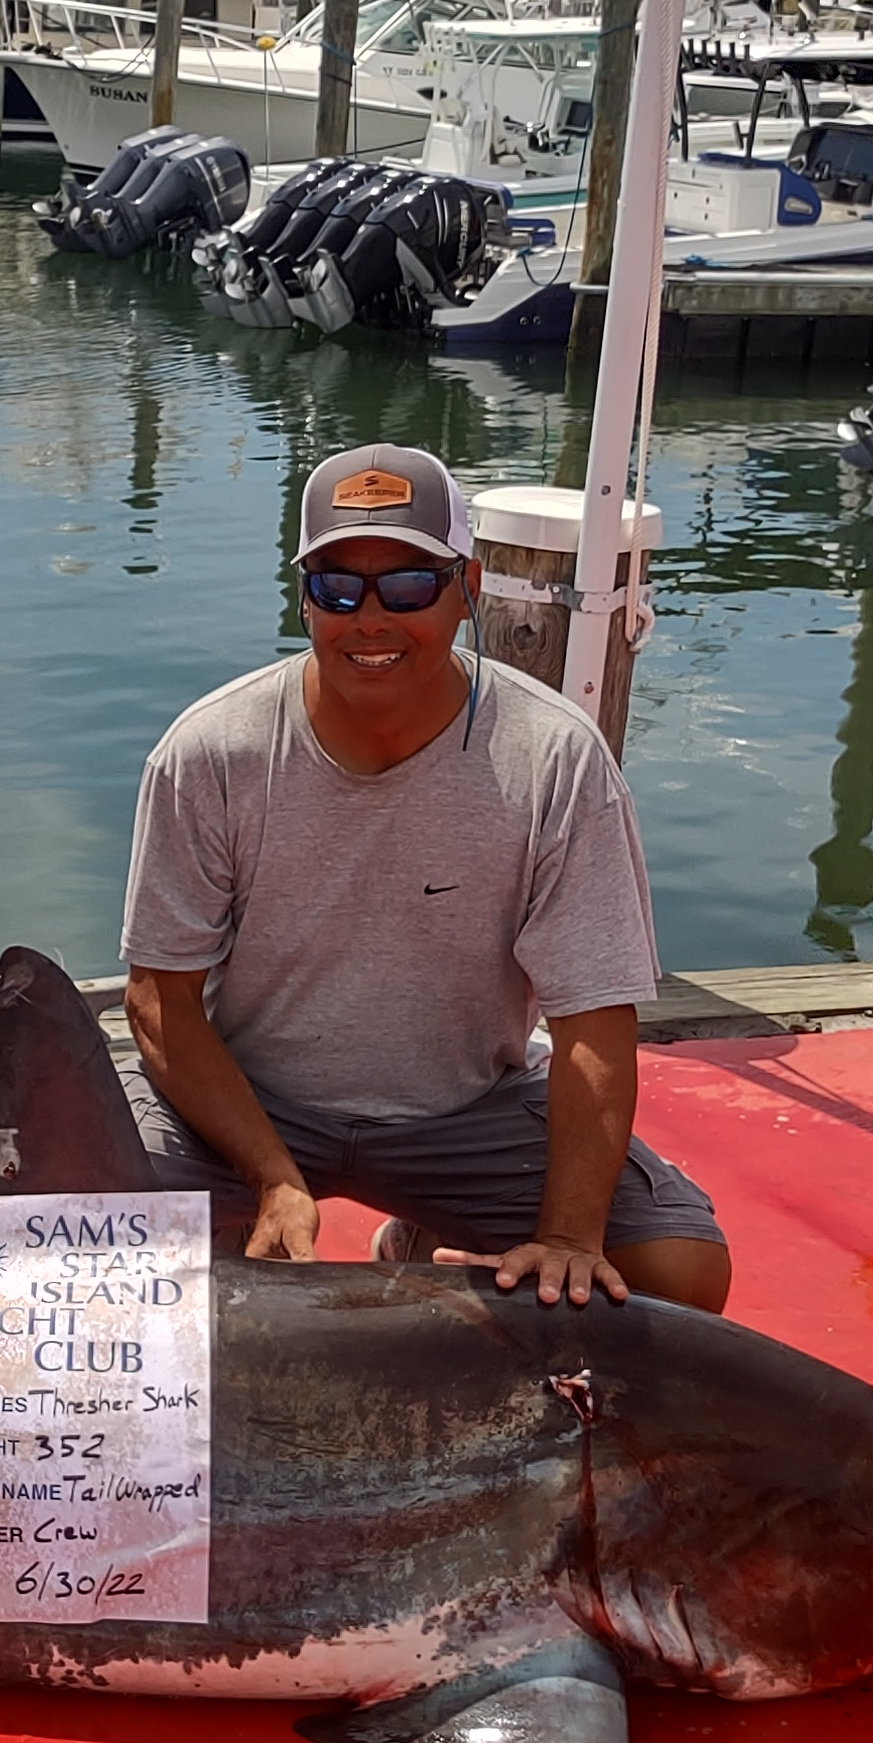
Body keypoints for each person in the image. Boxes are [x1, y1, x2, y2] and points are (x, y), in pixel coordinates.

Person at [117, 442, 729, 1312]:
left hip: (466, 1109)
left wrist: (567, 1236)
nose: (371, 619)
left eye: (408, 585)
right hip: (250, 1098)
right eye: (338, 587)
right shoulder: (210, 751)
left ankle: (422, 1227)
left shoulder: (556, 758)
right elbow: (160, 1001)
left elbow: (594, 1017)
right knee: (113, 1256)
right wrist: (271, 1174)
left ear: (466, 589)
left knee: (679, 1277)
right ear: (304, 600)